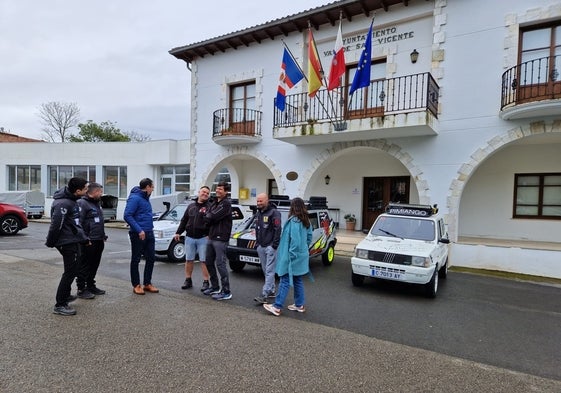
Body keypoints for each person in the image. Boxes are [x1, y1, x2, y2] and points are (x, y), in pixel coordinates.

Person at [46, 177, 89, 316]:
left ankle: (65, 296)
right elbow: (56, 225)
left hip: (72, 240)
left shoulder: (72, 201)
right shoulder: (63, 204)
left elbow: (74, 224)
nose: (87, 191)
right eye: (85, 189)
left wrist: (83, 238)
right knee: (70, 272)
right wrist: (51, 242)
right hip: (66, 242)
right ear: (78, 191)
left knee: (73, 270)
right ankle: (60, 304)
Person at [263, 197, 313, 317]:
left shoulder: (294, 221)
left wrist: (292, 254)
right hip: (301, 256)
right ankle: (299, 304)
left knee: (284, 280)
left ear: (293, 207)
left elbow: (294, 241)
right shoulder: (306, 221)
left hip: (291, 257)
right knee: (297, 280)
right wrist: (303, 249)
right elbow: (309, 237)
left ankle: (277, 306)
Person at [124, 178, 159, 295]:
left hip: (149, 232)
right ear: (147, 187)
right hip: (138, 234)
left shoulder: (145, 198)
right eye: (152, 187)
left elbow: (143, 214)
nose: (153, 189)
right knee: (136, 259)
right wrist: (139, 230)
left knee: (151, 258)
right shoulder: (135, 198)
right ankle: (136, 285)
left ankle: (147, 283)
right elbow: (127, 215)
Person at [173, 185, 211, 291]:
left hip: (203, 238)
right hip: (189, 237)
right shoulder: (191, 206)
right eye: (203, 192)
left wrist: (209, 234)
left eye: (207, 193)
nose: (205, 194)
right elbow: (184, 220)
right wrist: (178, 232)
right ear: (199, 192)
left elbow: (213, 223)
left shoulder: (210, 207)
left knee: (204, 261)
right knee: (189, 260)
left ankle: (206, 282)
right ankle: (188, 280)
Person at [76, 182, 108, 298]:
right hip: (88, 241)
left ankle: (90, 285)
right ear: (94, 192)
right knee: (85, 265)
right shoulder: (82, 203)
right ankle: (81, 288)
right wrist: (84, 238)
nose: (101, 194)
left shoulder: (97, 204)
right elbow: (78, 223)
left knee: (94, 264)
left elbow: (98, 222)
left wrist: (103, 235)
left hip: (98, 239)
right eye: (100, 192)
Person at [203, 181, 233, 300]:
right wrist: (208, 216)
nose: (218, 191)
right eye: (217, 188)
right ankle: (215, 287)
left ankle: (226, 291)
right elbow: (208, 216)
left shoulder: (226, 204)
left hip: (221, 238)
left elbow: (212, 216)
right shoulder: (215, 203)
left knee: (220, 264)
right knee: (208, 261)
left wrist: (208, 216)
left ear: (226, 192)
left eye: (221, 189)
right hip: (212, 236)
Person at [253, 193, 282, 304]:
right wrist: (258, 244)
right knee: (266, 270)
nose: (259, 203)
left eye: (261, 201)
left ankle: (264, 294)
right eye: (258, 201)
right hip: (261, 246)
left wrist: (274, 245)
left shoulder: (274, 213)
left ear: (267, 201)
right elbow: (257, 229)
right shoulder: (259, 213)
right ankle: (272, 290)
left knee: (269, 271)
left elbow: (278, 229)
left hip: (270, 247)